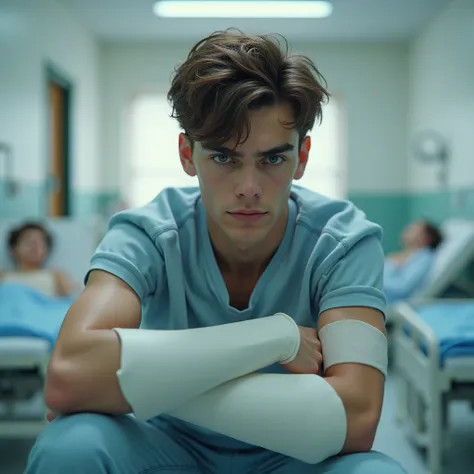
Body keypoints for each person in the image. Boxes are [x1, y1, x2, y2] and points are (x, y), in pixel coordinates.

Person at [25, 30, 406, 474]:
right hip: (166, 448)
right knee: (69, 448)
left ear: (302, 156)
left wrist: (134, 381)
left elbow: (355, 418)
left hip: (297, 454)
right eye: (224, 158)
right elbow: (71, 373)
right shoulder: (147, 232)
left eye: (272, 159)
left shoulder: (344, 241)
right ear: (188, 154)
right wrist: (274, 338)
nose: (248, 188)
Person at [0, 221, 77, 297]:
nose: (34, 246)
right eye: (28, 241)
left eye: (39, 241)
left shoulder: (56, 276)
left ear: (47, 250)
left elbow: (75, 301)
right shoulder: (3, 277)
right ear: (14, 249)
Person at [384, 220, 443, 304]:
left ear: (427, 239)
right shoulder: (402, 256)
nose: (407, 230)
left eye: (413, 229)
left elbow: (403, 286)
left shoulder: (424, 257)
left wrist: (374, 283)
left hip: (390, 303)